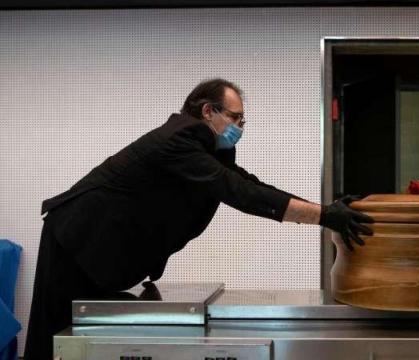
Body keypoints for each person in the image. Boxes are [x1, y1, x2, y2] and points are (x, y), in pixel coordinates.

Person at [23, 78, 373, 360]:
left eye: (243, 121)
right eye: (236, 118)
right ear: (208, 111)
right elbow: (238, 193)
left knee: (82, 337)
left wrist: (324, 208)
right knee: (56, 338)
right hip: (75, 239)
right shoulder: (181, 139)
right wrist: (326, 216)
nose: (240, 127)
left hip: (94, 249)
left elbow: (249, 185)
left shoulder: (207, 148)